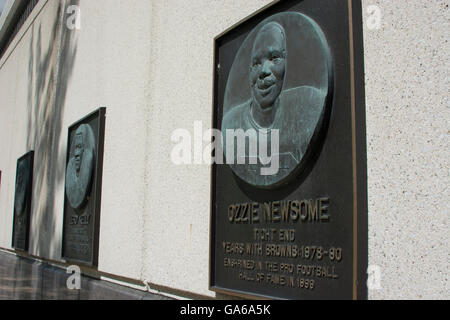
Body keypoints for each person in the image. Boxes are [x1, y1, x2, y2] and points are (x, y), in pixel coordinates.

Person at [222, 21, 327, 187]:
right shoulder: (230, 126)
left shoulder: (310, 105)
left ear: (286, 62)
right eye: (256, 63)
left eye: (274, 58)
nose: (264, 70)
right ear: (250, 73)